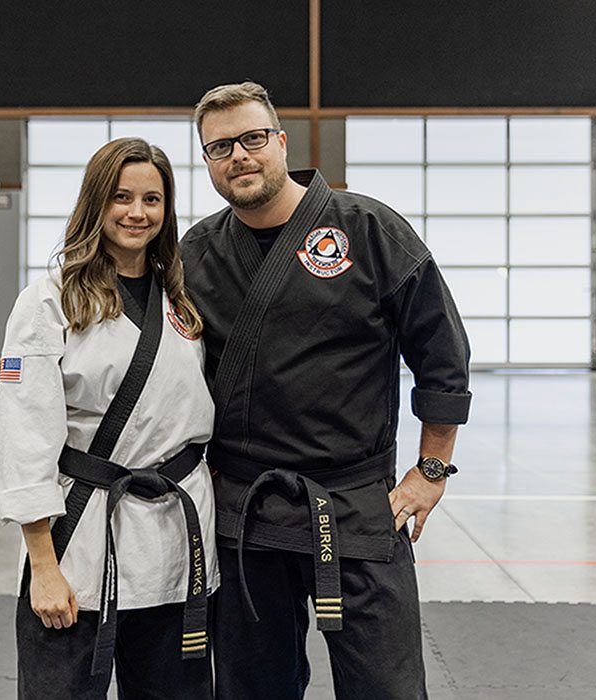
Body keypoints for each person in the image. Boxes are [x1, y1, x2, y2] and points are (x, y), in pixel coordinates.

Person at [180, 82, 471, 699]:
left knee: (387, 688)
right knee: (252, 688)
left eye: (253, 138)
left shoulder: (367, 230)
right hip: (243, 509)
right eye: (220, 147)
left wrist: (432, 469)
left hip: (356, 500)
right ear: (207, 161)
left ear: (282, 142)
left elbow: (442, 356)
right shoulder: (196, 254)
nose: (240, 156)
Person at [0, 137, 218, 699]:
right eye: (121, 197)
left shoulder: (181, 301)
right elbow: (22, 433)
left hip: (174, 537)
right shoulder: (50, 301)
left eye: (152, 200)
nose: (138, 213)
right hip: (80, 544)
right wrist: (42, 562)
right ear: (96, 203)